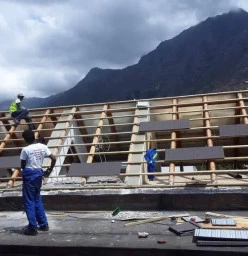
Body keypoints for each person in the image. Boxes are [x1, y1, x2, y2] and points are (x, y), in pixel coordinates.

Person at [20, 129, 56, 236]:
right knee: (37, 199)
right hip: (38, 175)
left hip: (29, 175)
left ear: (26, 139)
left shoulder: (25, 150)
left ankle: (32, 227)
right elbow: (53, 158)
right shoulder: (43, 147)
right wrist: (49, 170)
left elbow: (23, 165)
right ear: (34, 137)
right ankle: (43, 224)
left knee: (29, 201)